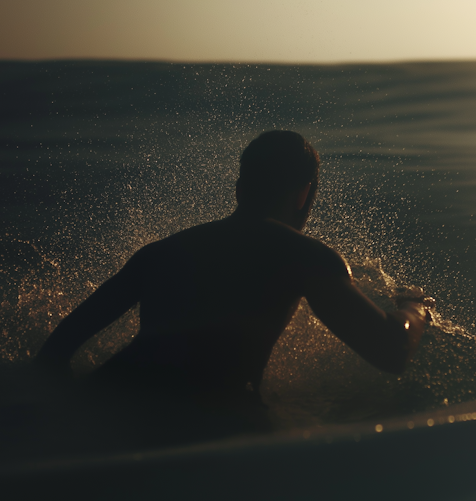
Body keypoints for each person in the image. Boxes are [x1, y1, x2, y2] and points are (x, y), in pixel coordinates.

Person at [35, 130, 433, 414]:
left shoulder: (160, 253)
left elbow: (53, 353)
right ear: (303, 193)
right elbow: (391, 352)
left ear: (240, 187)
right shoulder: (305, 256)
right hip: (195, 423)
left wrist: (78, 413)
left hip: (106, 402)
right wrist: (415, 309)